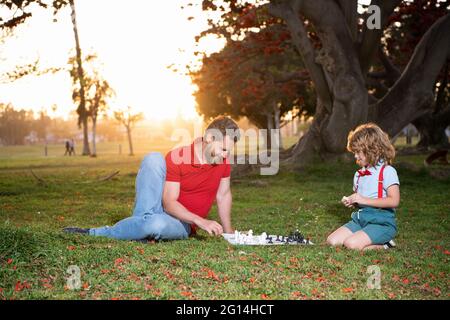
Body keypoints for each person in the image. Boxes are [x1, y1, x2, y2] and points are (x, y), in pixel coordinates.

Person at [63, 116, 240, 241]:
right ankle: (99, 233)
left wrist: (228, 230)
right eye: (224, 149)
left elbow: (223, 195)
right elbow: (169, 203)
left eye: (229, 151)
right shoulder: (178, 156)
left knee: (155, 224)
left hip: (182, 224)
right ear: (209, 138)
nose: (226, 155)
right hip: (161, 209)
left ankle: (140, 229)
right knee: (153, 158)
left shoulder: (223, 161)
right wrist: (201, 221)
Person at [327, 123, 400, 250]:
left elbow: (394, 201)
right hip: (360, 221)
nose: (355, 156)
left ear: (372, 149)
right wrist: (353, 202)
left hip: (381, 223)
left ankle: (386, 245)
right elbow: (361, 201)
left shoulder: (387, 171)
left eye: (357, 152)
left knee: (351, 244)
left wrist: (362, 200)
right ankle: (363, 236)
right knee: (332, 241)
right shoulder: (359, 175)